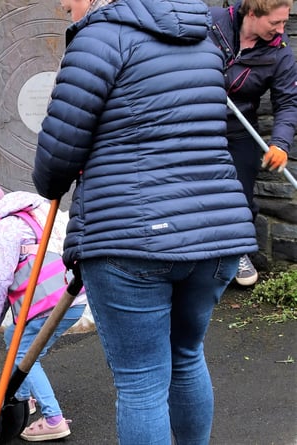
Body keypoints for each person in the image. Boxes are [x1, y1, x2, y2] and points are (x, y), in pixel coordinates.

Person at [31, 0, 258, 444]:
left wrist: (63, 172)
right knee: (188, 357)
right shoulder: (206, 38)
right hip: (215, 235)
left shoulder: (98, 39)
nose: (64, 4)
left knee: (142, 383)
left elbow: (56, 161)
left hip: (131, 240)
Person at [0, 176, 89, 442]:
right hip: (67, 296)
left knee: (24, 357)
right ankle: (20, 397)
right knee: (13, 337)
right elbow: (11, 282)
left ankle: (54, 419)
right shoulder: (27, 213)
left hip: (49, 304)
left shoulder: (4, 227)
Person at [208, 0, 297, 286]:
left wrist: (281, 144)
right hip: (194, 122)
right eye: (276, 23)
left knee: (240, 193)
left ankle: (239, 252)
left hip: (238, 127)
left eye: (285, 23)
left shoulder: (279, 52)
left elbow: (288, 102)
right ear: (253, 13)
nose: (282, 30)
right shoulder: (211, 22)